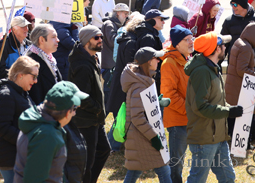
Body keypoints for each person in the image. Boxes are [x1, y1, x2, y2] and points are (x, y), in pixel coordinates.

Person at [184, 32, 241, 183]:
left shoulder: (212, 68)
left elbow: (216, 101)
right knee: (197, 179)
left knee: (228, 178)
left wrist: (232, 109)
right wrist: (228, 111)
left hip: (218, 136)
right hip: (204, 139)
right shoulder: (202, 72)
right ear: (216, 49)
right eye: (223, 45)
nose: (225, 48)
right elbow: (200, 107)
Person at [14, 81, 88, 183]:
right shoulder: (47, 136)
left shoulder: (40, 122)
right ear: (67, 113)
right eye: (74, 109)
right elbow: (34, 179)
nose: (74, 114)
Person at [122, 48, 171, 183]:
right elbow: (137, 117)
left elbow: (142, 107)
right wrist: (154, 137)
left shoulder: (143, 81)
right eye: (156, 59)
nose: (158, 61)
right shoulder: (140, 86)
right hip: (142, 138)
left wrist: (156, 103)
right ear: (149, 62)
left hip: (141, 136)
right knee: (163, 169)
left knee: (135, 171)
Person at [68, 26, 110, 183]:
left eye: (101, 37)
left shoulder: (91, 58)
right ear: (86, 42)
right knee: (87, 162)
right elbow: (81, 96)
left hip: (94, 119)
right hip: (85, 121)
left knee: (104, 149)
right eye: (96, 37)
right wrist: (97, 108)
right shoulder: (82, 66)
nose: (100, 40)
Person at [0, 56, 38, 183]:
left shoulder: (22, 92)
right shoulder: (7, 95)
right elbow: (2, 127)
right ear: (21, 75)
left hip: (20, 156)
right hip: (10, 159)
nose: (36, 81)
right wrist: (27, 139)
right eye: (33, 77)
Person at [161, 26, 194, 183]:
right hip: (177, 120)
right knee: (176, 163)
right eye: (187, 40)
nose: (191, 42)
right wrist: (190, 110)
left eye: (192, 38)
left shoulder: (186, 59)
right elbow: (169, 95)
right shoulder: (169, 62)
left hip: (187, 118)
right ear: (177, 44)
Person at [224, 23, 255, 115]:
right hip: (240, 90)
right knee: (248, 118)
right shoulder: (246, 48)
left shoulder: (239, 42)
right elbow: (241, 69)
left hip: (234, 87)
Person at [26, 24, 62, 104]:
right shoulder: (31, 62)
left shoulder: (49, 58)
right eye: (53, 37)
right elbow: (36, 96)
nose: (58, 40)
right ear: (41, 40)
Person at [102, 3, 129, 93]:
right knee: (109, 93)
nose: (126, 16)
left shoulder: (116, 24)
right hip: (109, 65)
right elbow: (113, 41)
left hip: (113, 64)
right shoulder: (109, 24)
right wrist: (124, 32)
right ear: (118, 13)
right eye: (125, 13)